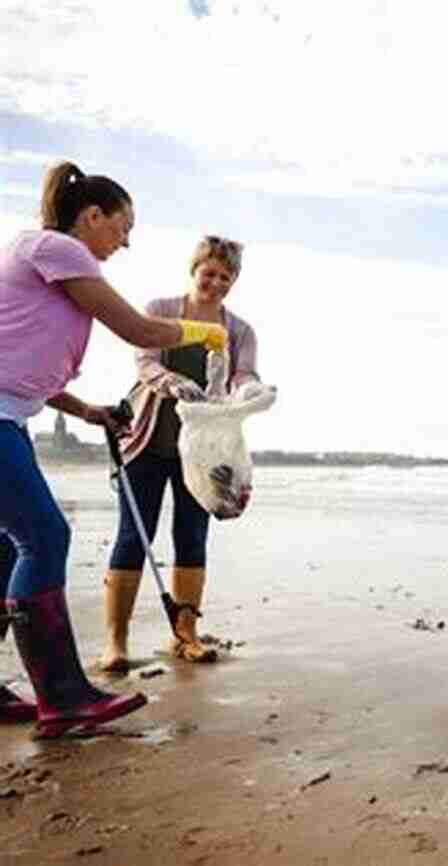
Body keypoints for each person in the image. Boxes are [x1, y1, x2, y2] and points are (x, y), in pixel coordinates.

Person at [0, 161, 227, 738]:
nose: (125, 241)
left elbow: (29, 370)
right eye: (122, 226)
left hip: (11, 416)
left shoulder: (47, 261)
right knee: (45, 537)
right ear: (92, 216)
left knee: (6, 549)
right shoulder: (57, 247)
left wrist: (87, 411)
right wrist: (207, 332)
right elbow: (138, 329)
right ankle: (63, 697)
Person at [98, 236, 260, 672]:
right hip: (148, 439)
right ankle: (115, 641)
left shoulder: (239, 330)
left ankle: (184, 635)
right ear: (194, 271)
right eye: (209, 272)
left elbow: (244, 373)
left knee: (191, 536)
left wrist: (251, 390)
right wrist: (172, 383)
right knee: (135, 536)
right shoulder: (162, 308)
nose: (216, 282)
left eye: (226, 277)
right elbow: (146, 361)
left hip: (202, 454)